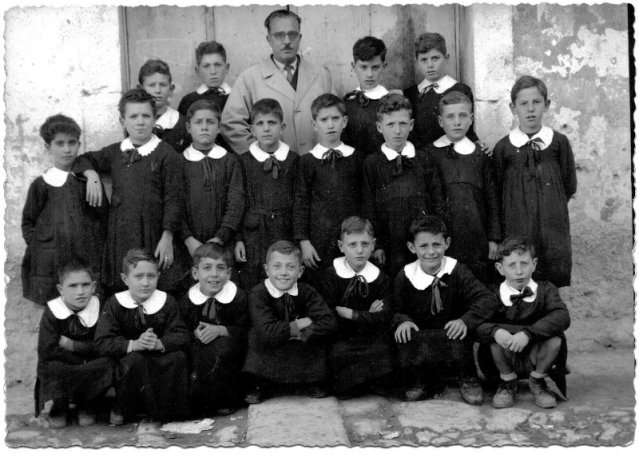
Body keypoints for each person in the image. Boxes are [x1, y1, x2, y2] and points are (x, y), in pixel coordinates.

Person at [74, 88, 185, 296]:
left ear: (155, 119)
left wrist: (167, 236)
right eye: (133, 116)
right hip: (122, 234)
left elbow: (174, 199)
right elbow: (82, 160)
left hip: (153, 233)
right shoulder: (116, 152)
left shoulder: (166, 154)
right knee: (122, 287)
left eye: (146, 116)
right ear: (122, 121)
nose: (140, 122)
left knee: (153, 286)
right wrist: (92, 175)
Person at [391, 216, 498, 404]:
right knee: (405, 333)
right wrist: (403, 320)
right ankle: (423, 380)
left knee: (460, 334)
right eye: (423, 246)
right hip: (422, 338)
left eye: (436, 244)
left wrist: (465, 320)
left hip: (453, 337)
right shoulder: (405, 275)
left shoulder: (457, 270)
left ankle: (467, 377)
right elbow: (396, 308)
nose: (431, 252)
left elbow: (487, 298)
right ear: (411, 248)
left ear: (447, 243)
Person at [492, 75, 577, 288]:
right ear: (513, 108)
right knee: (521, 280)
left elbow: (568, 185)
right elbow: (498, 191)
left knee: (550, 284)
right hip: (517, 226)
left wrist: (549, 206)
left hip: (552, 229)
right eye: (523, 104)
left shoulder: (558, 143)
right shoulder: (504, 148)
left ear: (546, 105)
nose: (530, 109)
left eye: (537, 102)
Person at [93, 249, 190, 424]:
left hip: (159, 356)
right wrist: (134, 344)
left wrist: (159, 343)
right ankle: (124, 407)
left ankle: (165, 411)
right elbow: (101, 342)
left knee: (178, 357)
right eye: (138, 277)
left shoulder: (167, 301)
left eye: (151, 276)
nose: (145, 283)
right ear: (125, 279)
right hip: (130, 358)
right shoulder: (114, 304)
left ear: (158, 276)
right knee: (133, 361)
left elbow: (182, 334)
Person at [221, 9, 335, 154]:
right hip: (273, 171)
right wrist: (263, 155)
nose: (287, 41)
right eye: (279, 35)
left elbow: (336, 118)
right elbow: (231, 125)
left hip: (317, 165)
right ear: (269, 39)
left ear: (300, 37)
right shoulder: (249, 79)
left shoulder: (322, 76)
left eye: (292, 35)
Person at [22, 114, 107, 305]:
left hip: (85, 261)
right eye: (59, 144)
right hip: (51, 264)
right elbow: (28, 222)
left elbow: (103, 221)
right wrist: (41, 249)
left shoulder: (88, 182)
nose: (67, 149)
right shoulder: (41, 184)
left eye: (72, 143)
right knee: (55, 314)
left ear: (79, 144)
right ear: (48, 147)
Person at [476, 237, 570, 409]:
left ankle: (538, 380)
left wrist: (528, 334)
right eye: (511, 265)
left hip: (535, 356)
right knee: (493, 335)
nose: (519, 271)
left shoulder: (546, 289)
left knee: (555, 338)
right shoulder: (491, 293)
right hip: (505, 357)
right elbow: (477, 322)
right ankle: (507, 382)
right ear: (500, 268)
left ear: (534, 264)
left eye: (524, 264)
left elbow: (562, 316)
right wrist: (496, 332)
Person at [243, 240, 337, 404]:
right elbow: (268, 331)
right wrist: (299, 324)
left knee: (317, 338)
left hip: (300, 342)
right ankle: (262, 385)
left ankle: (309, 381)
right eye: (277, 266)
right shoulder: (258, 293)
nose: (284, 272)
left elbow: (329, 321)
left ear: (300, 271)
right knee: (257, 336)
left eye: (290, 267)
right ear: (267, 270)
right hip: (271, 345)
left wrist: (304, 332)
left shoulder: (306, 291)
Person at [362, 93, 443, 279]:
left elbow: (437, 198)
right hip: (390, 240)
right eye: (390, 124)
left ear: (411, 125)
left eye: (403, 124)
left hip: (423, 241)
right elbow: (368, 206)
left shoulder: (424, 159)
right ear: (379, 127)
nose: (397, 131)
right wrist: (378, 245)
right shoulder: (372, 163)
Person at [428, 91, 501, 283]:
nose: (457, 122)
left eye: (462, 116)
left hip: (477, 234)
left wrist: (494, 237)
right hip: (445, 236)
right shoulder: (429, 154)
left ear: (471, 119)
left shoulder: (481, 155)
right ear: (440, 121)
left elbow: (492, 197)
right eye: (450, 117)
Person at [319, 216, 393, 399]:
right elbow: (328, 314)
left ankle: (372, 383)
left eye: (365, 244)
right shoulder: (331, 275)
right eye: (352, 245)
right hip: (342, 337)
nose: (359, 250)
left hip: (371, 336)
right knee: (338, 353)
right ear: (341, 246)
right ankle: (353, 386)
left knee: (383, 349)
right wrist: (367, 315)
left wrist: (352, 314)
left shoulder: (380, 278)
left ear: (373, 244)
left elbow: (384, 316)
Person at [294, 94, 364, 286]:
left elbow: (365, 199)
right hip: (319, 238)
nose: (330, 125)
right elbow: (301, 201)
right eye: (324, 120)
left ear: (345, 121)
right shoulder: (307, 162)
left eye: (335, 119)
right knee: (323, 283)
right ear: (315, 125)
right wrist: (304, 242)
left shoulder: (357, 158)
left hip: (352, 236)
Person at [35, 259, 114, 428]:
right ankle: (60, 403)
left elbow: (104, 344)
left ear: (93, 287)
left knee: (107, 362)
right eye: (73, 286)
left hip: (90, 363)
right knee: (50, 365)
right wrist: (82, 357)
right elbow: (47, 349)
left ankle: (87, 403)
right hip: (67, 363)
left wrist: (72, 345)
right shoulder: (52, 311)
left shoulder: (100, 307)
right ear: (60, 289)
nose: (80, 292)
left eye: (85, 285)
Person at [177, 243, 249, 416]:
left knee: (223, 351)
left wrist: (221, 330)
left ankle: (224, 401)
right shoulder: (187, 301)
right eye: (207, 268)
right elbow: (180, 327)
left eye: (220, 268)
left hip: (228, 349)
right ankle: (199, 402)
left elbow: (245, 329)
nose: (214, 275)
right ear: (195, 273)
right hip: (199, 347)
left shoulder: (237, 298)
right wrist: (194, 331)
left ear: (229, 273)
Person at [234, 98, 298, 290]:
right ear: (252, 130)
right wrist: (238, 239)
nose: (266, 129)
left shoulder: (294, 160)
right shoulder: (243, 162)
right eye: (260, 124)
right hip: (254, 234)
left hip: (284, 231)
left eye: (272, 123)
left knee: (283, 276)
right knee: (255, 280)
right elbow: (238, 201)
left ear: (282, 127)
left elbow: (299, 202)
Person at [180, 100, 244, 258]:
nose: (204, 127)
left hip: (223, 243)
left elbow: (236, 201)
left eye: (210, 122)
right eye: (198, 122)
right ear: (189, 127)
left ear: (219, 127)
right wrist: (188, 239)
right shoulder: (179, 162)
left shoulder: (230, 161)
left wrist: (221, 237)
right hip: (189, 246)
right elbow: (175, 204)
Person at [403, 33, 481, 149]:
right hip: (420, 156)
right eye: (424, 60)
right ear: (417, 62)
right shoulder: (410, 94)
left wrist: (479, 145)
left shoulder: (461, 90)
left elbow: (468, 130)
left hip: (452, 155)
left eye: (435, 58)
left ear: (446, 58)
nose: (430, 65)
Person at [342, 36, 390, 156]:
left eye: (375, 67)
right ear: (353, 67)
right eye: (363, 67)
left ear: (384, 66)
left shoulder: (392, 102)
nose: (369, 74)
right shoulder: (346, 103)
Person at [138, 59, 190, 152]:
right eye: (152, 85)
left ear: (170, 89)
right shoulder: (134, 122)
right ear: (141, 89)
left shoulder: (181, 124)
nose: (158, 90)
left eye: (163, 85)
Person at [177, 41, 232, 117]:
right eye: (206, 66)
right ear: (198, 71)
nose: (213, 72)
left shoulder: (237, 98)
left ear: (226, 68)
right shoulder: (188, 101)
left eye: (217, 65)